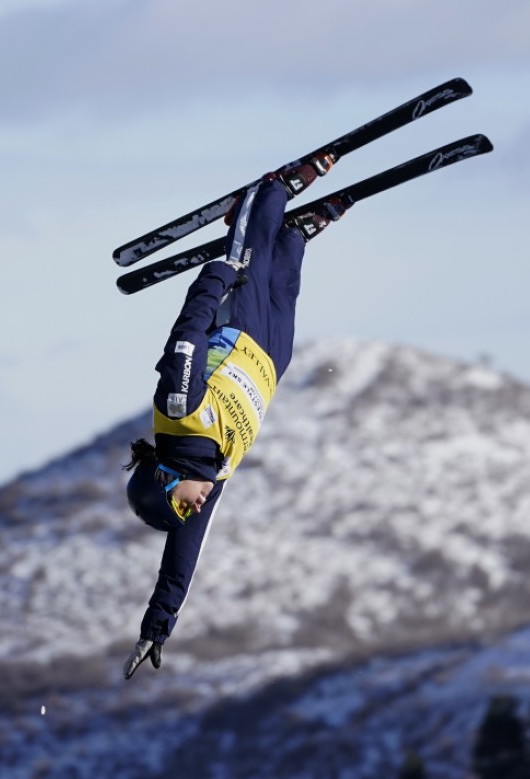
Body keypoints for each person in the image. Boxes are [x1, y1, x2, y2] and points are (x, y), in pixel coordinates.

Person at [121, 155, 344, 680]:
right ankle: (296, 235)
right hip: (270, 357)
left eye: (183, 506)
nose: (194, 510)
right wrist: (157, 626)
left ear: (166, 480)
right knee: (284, 281)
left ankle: (273, 190)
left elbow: (185, 337)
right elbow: (181, 559)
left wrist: (218, 276)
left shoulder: (179, 413)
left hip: (235, 327)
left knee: (251, 257)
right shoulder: (209, 478)